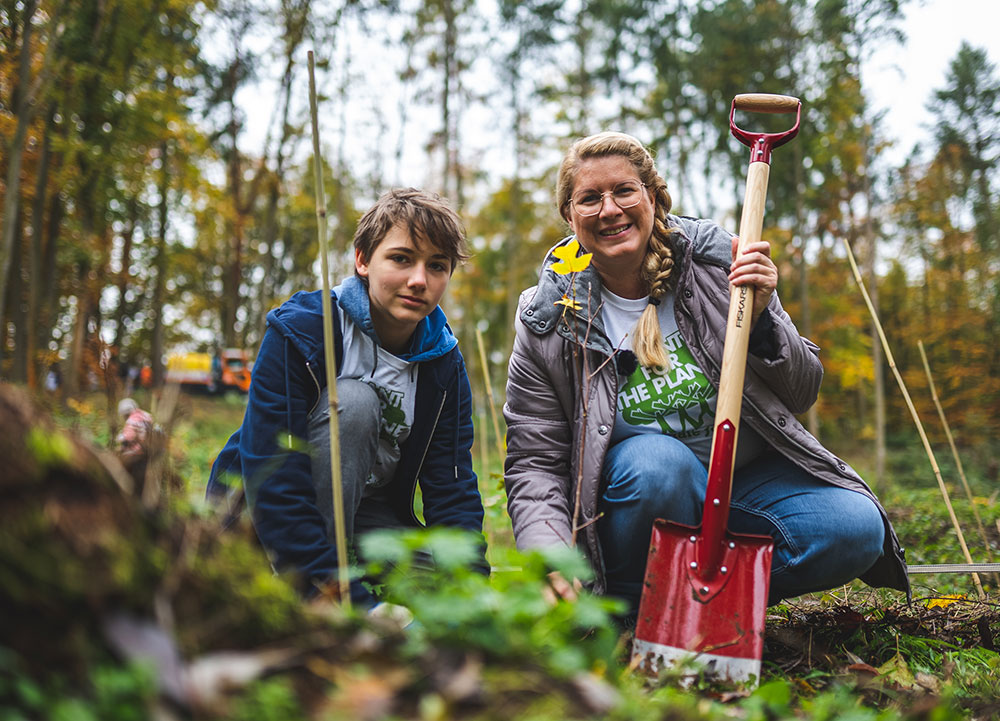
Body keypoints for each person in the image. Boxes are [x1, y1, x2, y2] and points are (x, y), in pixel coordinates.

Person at [503, 132, 909, 615]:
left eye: (624, 191)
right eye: (589, 198)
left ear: (652, 197)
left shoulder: (720, 268)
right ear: (570, 217)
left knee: (855, 528)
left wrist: (763, 320)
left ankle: (700, 605)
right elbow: (535, 462)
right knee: (659, 465)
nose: (609, 209)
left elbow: (801, 392)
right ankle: (627, 609)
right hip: (632, 509)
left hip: (742, 488)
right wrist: (552, 558)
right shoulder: (550, 317)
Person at [207, 188, 487, 608]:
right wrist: (344, 599)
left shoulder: (443, 364)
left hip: (367, 518)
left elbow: (451, 485)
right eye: (401, 258)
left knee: (442, 582)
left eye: (437, 266)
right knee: (353, 403)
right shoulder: (303, 331)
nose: (419, 280)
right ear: (362, 260)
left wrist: (473, 592)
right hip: (268, 511)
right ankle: (303, 590)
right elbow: (274, 469)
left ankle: (346, 575)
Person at [117, 397, 155, 473]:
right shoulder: (146, 416)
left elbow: (128, 437)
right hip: (149, 452)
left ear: (126, 414)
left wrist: (119, 438)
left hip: (136, 454)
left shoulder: (132, 420)